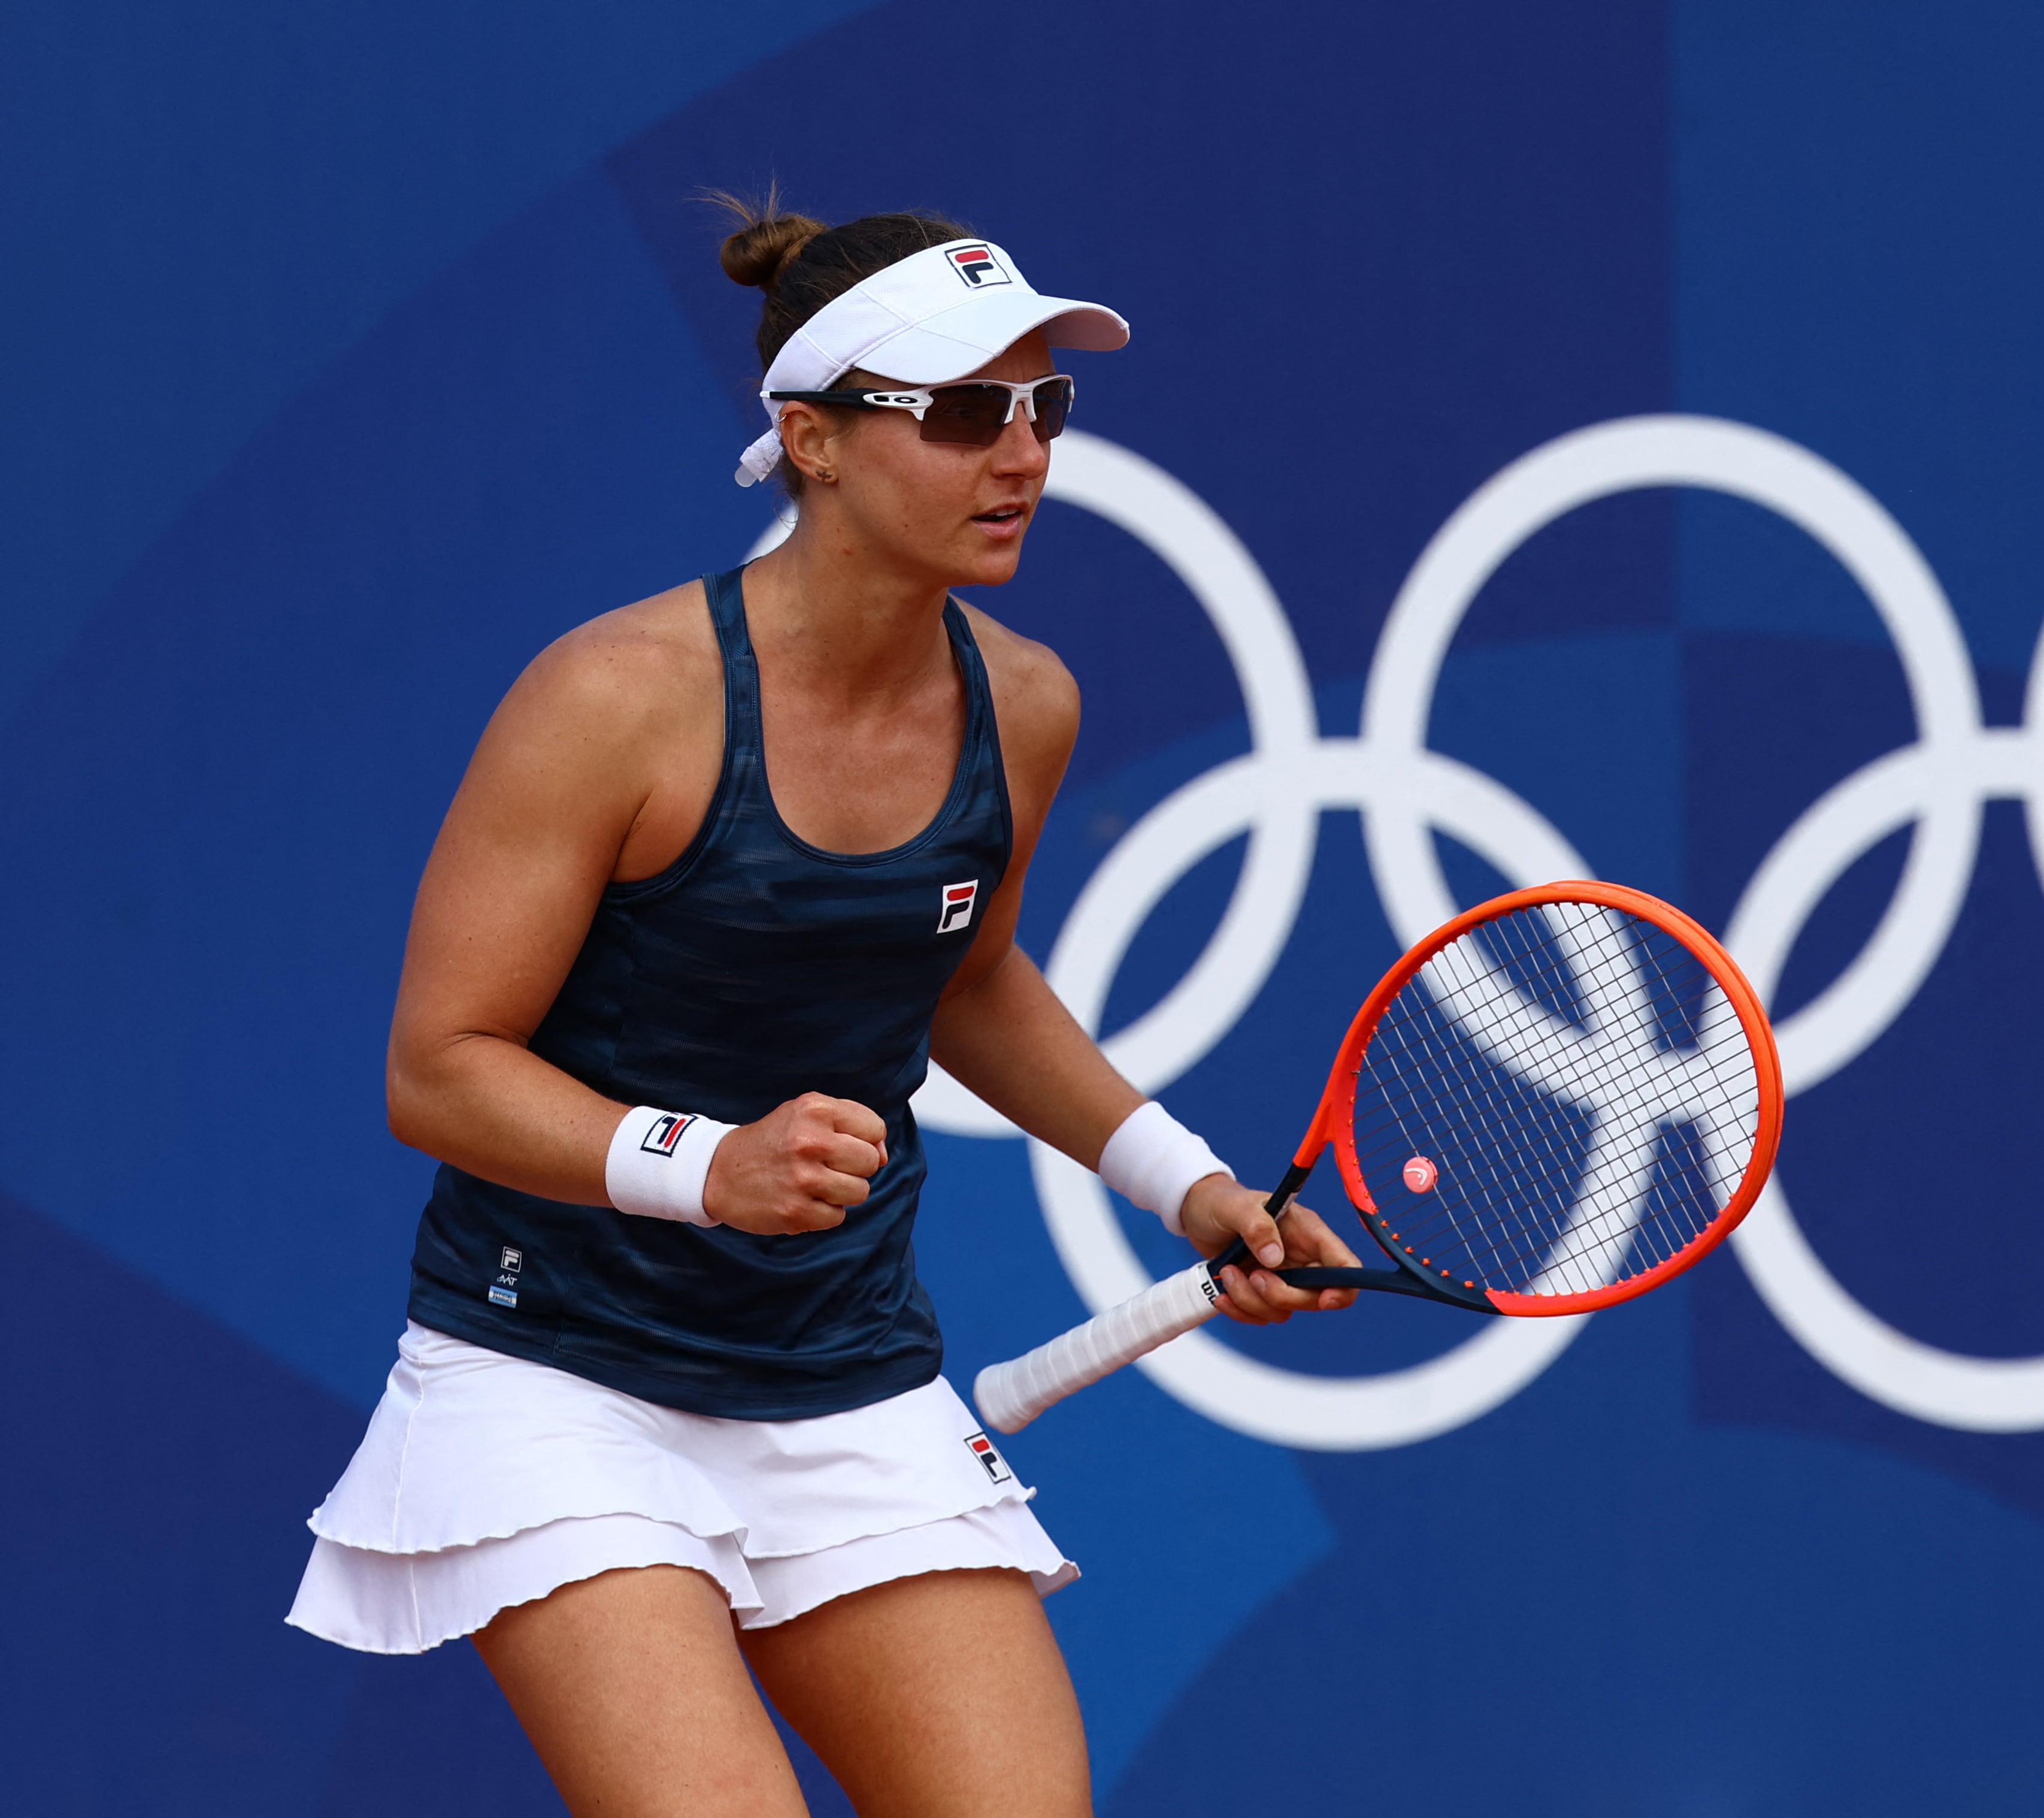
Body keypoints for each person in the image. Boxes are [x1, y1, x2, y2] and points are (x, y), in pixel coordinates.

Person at [286, 199, 1360, 1817]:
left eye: (1040, 408)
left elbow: (968, 981)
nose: (1018, 455)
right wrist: (700, 1165)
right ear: (813, 439)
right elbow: (438, 1071)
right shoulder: (613, 697)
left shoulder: (1027, 698)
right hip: (558, 1374)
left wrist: (1193, 1187)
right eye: (957, 411)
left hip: (841, 1372)